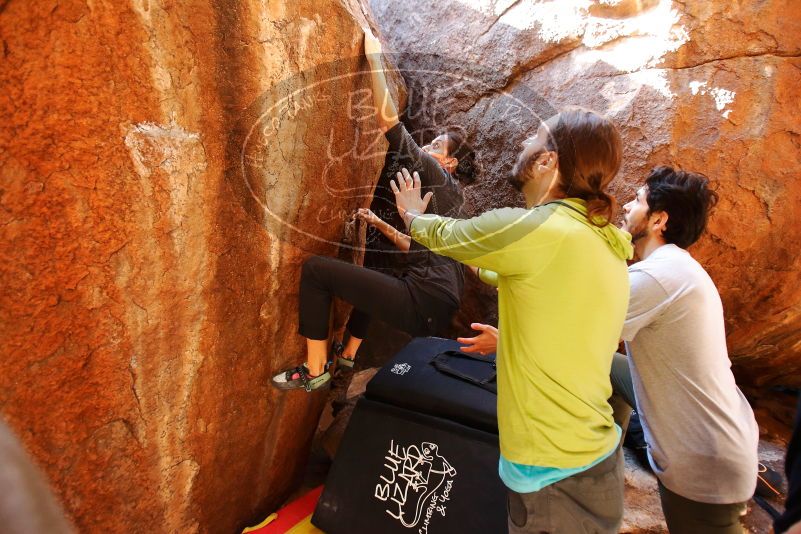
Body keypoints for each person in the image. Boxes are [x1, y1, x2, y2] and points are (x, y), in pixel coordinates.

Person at [462, 166, 761, 533]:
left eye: (637, 201)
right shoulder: (675, 269)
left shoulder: (655, 278)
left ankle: (592, 458)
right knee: (606, 366)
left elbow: (571, 328)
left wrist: (505, 338)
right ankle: (603, 449)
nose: (626, 209)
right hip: (714, 442)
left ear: (659, 220)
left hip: (703, 459)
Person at [391, 107, 633, 533]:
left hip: (556, 476)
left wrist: (412, 216)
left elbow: (451, 234)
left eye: (534, 139)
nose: (523, 144)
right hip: (593, 459)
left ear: (547, 161)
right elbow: (508, 270)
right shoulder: (599, 238)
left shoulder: (536, 230)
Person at [270, 27, 475, 392]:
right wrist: (381, 223)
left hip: (424, 298)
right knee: (378, 279)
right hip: (437, 305)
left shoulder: (434, 176)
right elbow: (420, 251)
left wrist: (373, 58)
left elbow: (389, 123)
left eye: (437, 144)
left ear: (451, 163)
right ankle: (346, 355)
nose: (428, 145)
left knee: (316, 271)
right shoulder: (455, 202)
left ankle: (315, 369)